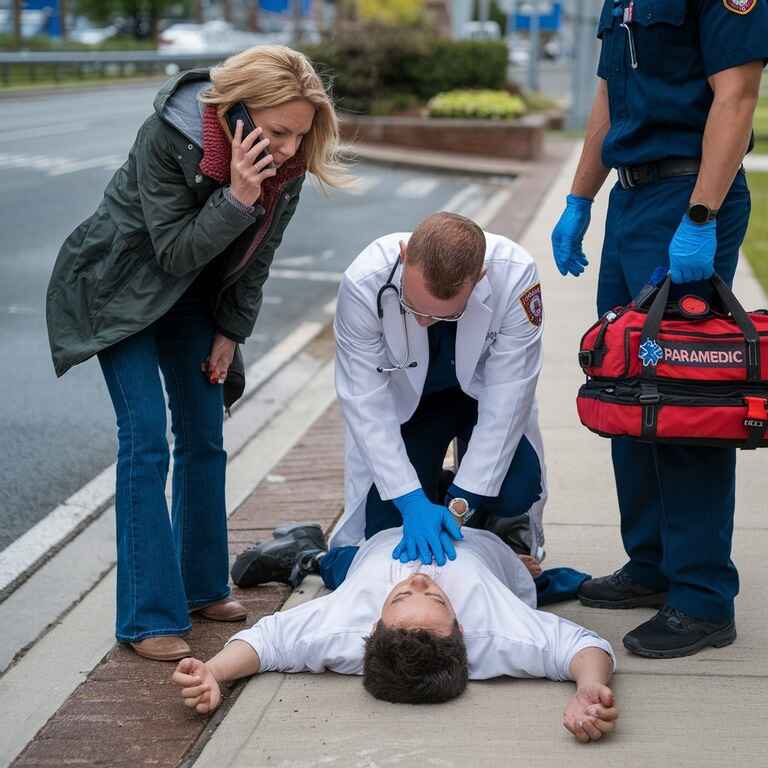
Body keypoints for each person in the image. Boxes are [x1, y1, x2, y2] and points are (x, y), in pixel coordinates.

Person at [45, 46, 347, 662]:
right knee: (147, 437)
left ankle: (202, 586)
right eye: (279, 132)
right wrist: (238, 195)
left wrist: (230, 332)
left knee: (205, 433)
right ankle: (147, 617)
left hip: (193, 297)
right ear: (237, 112)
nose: (289, 149)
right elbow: (175, 252)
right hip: (120, 288)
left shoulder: (283, 168)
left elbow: (255, 262)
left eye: (300, 134)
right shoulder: (169, 137)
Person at [551, 1, 768, 658]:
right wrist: (579, 199)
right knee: (626, 389)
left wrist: (700, 215)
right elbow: (608, 104)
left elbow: (736, 96)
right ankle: (651, 564)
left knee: (685, 393)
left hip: (687, 195)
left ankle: (703, 596)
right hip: (630, 198)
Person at [173, 526, 619, 743]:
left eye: (401, 598)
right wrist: (590, 686)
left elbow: (266, 643)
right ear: (461, 629)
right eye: (439, 599)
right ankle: (516, 551)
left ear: (373, 626)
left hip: (379, 541)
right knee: (532, 559)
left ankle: (306, 553)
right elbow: (583, 646)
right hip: (482, 539)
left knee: (338, 567)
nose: (421, 579)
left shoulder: (344, 628)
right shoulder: (494, 632)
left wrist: (214, 672)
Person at [329, 212, 548, 570]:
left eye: (443, 316)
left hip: (480, 400)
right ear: (404, 256)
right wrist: (411, 500)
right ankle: (426, 492)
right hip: (412, 408)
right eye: (412, 307)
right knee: (384, 532)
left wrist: (460, 503)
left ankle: (483, 518)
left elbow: (509, 399)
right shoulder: (364, 281)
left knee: (518, 489)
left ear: (478, 280)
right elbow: (365, 402)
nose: (422, 321)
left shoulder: (516, 276)